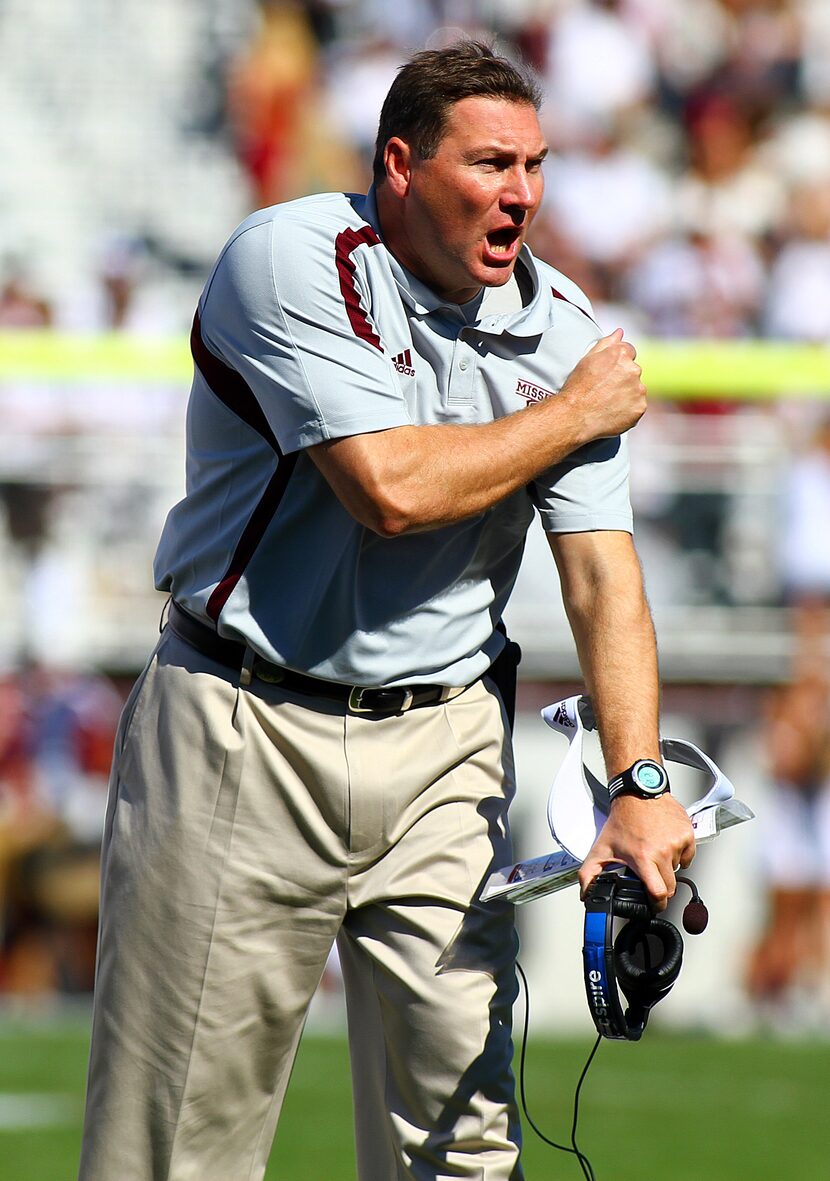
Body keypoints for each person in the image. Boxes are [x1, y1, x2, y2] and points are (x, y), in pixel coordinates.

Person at [77, 39, 695, 1181]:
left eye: (536, 165)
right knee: (176, 1147)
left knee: (464, 1145)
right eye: (491, 163)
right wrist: (567, 415)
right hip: (241, 724)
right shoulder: (292, 259)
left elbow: (604, 576)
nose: (522, 193)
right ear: (400, 166)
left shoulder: (560, 326)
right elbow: (392, 494)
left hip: (446, 745)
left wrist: (638, 783)